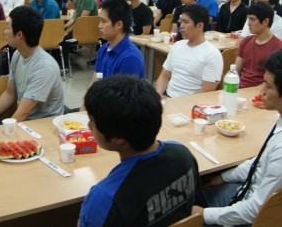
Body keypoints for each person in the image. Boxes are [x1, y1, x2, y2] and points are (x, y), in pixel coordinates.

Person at [193, 47, 282, 226]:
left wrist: (204, 214)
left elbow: (256, 211)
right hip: (258, 196)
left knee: (188, 200)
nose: (261, 90)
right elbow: (259, 163)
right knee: (205, 184)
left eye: (268, 86)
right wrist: (223, 177)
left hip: (265, 218)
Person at [79, 75, 199, 227]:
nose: (89, 126)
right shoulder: (182, 153)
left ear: (119, 138)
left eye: (92, 122)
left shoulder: (104, 197)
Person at [0, 6, 64, 126]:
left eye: (8, 27)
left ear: (19, 35)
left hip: (44, 124)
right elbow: (9, 94)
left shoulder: (44, 68)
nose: (5, 32)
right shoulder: (18, 54)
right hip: (26, 120)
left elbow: (22, 114)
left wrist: (2, 132)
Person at [156, 4, 223, 98]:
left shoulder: (212, 54)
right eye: (181, 22)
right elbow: (164, 76)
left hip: (191, 102)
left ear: (200, 26)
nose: (181, 26)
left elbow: (207, 90)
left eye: (186, 22)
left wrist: (176, 102)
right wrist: (158, 95)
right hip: (168, 98)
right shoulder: (177, 45)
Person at [91, 0, 145, 85]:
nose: (99, 26)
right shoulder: (103, 49)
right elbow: (95, 78)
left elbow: (124, 93)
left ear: (119, 25)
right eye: (99, 21)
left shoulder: (130, 58)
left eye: (103, 21)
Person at [236, 3, 282, 88]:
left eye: (252, 19)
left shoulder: (279, 48)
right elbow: (236, 71)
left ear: (265, 21)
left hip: (262, 91)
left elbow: (273, 81)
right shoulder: (245, 41)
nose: (248, 23)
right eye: (248, 19)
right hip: (240, 88)